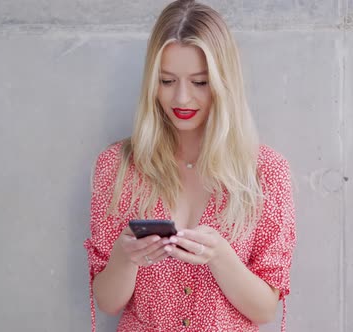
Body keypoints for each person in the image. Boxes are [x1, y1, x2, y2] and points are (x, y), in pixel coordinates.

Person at [84, 0, 296, 330]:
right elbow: (109, 302)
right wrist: (125, 258)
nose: (182, 99)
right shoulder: (117, 166)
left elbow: (264, 309)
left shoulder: (266, 172)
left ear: (224, 82)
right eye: (167, 81)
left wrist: (221, 257)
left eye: (199, 82)